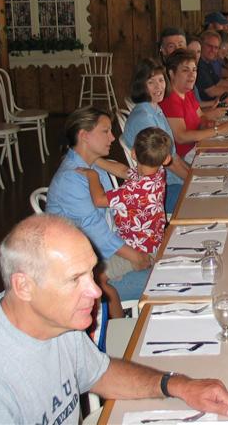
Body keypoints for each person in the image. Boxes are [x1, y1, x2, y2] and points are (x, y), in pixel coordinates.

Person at [0, 215, 228, 423]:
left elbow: (100, 373)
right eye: (75, 279)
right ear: (24, 286)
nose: (95, 291)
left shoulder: (58, 322)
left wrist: (177, 385)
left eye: (91, 273)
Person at [46, 107, 151, 307]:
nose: (112, 137)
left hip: (105, 254)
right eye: (105, 131)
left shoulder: (91, 164)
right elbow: (97, 233)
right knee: (165, 279)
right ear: (84, 136)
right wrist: (135, 256)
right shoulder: (70, 180)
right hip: (87, 274)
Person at [78, 127, 171, 257]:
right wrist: (96, 160)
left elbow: (99, 200)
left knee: (102, 264)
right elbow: (124, 171)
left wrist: (92, 175)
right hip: (154, 240)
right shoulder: (159, 172)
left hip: (137, 249)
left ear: (133, 154)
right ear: (166, 159)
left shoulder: (133, 191)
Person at [123, 59, 189, 213]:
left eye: (161, 80)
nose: (158, 86)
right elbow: (169, 163)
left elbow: (173, 156)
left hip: (170, 182)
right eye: (151, 82)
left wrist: (193, 175)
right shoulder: (144, 118)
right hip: (160, 191)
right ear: (141, 86)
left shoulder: (155, 109)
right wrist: (193, 182)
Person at [159, 49, 228, 161]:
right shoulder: (170, 100)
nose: (192, 75)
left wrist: (208, 123)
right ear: (172, 73)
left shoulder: (187, 93)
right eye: (185, 70)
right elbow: (181, 137)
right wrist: (218, 130)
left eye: (194, 70)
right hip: (185, 157)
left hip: (198, 147)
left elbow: (201, 116)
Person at [195, 30, 228, 102]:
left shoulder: (207, 62)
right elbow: (212, 92)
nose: (213, 50)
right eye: (209, 46)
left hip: (216, 102)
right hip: (208, 106)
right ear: (201, 45)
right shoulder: (199, 65)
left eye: (216, 47)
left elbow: (219, 82)